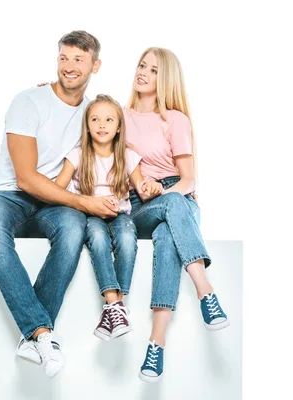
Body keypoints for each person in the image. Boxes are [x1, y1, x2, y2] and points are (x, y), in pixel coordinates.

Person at [0, 31, 119, 378]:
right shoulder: (28, 101)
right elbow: (24, 178)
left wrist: (173, 182)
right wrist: (85, 201)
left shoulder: (92, 112)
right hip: (11, 194)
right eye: (63, 58)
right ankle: (42, 332)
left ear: (95, 65)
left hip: (54, 202)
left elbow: (127, 129)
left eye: (78, 60)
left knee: (72, 228)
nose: (69, 67)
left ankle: (33, 338)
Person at [123, 47, 230, 383]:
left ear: (165, 78)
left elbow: (188, 179)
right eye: (142, 66)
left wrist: (166, 192)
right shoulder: (119, 115)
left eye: (153, 70)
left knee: (168, 235)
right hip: (138, 202)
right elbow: (87, 123)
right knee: (173, 209)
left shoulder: (174, 119)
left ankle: (156, 343)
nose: (143, 73)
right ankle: (206, 291)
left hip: (175, 193)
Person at [54, 94, 163, 341]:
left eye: (108, 120)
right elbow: (57, 188)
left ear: (118, 127)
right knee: (98, 240)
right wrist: (82, 202)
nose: (102, 125)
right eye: (95, 119)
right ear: (87, 125)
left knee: (126, 238)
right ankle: (114, 304)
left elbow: (141, 189)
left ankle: (115, 309)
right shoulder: (78, 154)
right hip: (91, 215)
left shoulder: (127, 155)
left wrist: (152, 186)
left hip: (120, 214)